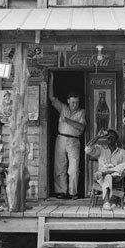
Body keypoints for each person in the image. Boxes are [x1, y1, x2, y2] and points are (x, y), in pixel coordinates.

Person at [49, 71, 86, 199]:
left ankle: (73, 192)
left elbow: (81, 127)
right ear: (68, 101)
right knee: (60, 166)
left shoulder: (82, 112)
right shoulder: (63, 108)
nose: (75, 105)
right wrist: (51, 79)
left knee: (74, 168)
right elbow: (52, 98)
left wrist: (68, 121)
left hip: (74, 140)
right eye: (73, 102)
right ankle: (61, 191)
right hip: (61, 138)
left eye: (77, 102)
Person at [85, 128, 125, 210]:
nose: (109, 137)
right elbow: (87, 149)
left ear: (116, 139)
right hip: (101, 177)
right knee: (108, 176)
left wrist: (118, 175)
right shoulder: (100, 149)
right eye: (107, 136)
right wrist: (97, 137)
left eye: (112, 136)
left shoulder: (122, 152)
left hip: (115, 177)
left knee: (109, 174)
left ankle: (107, 202)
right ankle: (106, 202)